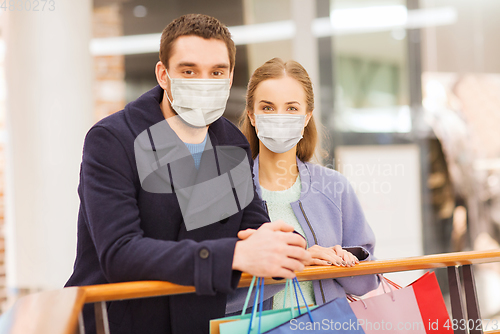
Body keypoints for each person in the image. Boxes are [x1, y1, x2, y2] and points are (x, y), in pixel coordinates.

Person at [65, 15, 311, 334]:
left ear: (230, 75)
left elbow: (250, 225)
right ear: (164, 75)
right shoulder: (113, 139)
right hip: (120, 321)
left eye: (216, 72)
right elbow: (120, 252)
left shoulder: (229, 141)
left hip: (197, 320)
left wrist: (288, 244)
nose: (204, 82)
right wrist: (236, 254)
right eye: (189, 71)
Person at [228, 57, 379, 312]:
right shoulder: (226, 190)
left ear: (307, 116)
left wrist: (342, 262)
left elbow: (369, 280)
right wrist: (299, 263)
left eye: (291, 108)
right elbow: (213, 289)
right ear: (252, 115)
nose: (279, 117)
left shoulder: (334, 186)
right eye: (267, 108)